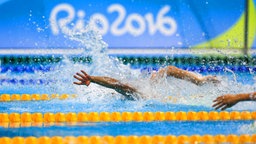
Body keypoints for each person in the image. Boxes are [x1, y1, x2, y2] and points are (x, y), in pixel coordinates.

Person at [73, 65, 219, 100]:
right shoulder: (141, 93)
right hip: (149, 97)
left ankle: (200, 81)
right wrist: (92, 79)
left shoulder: (146, 89)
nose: (153, 74)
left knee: (166, 70)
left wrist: (199, 81)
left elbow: (116, 84)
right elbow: (117, 84)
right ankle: (200, 81)